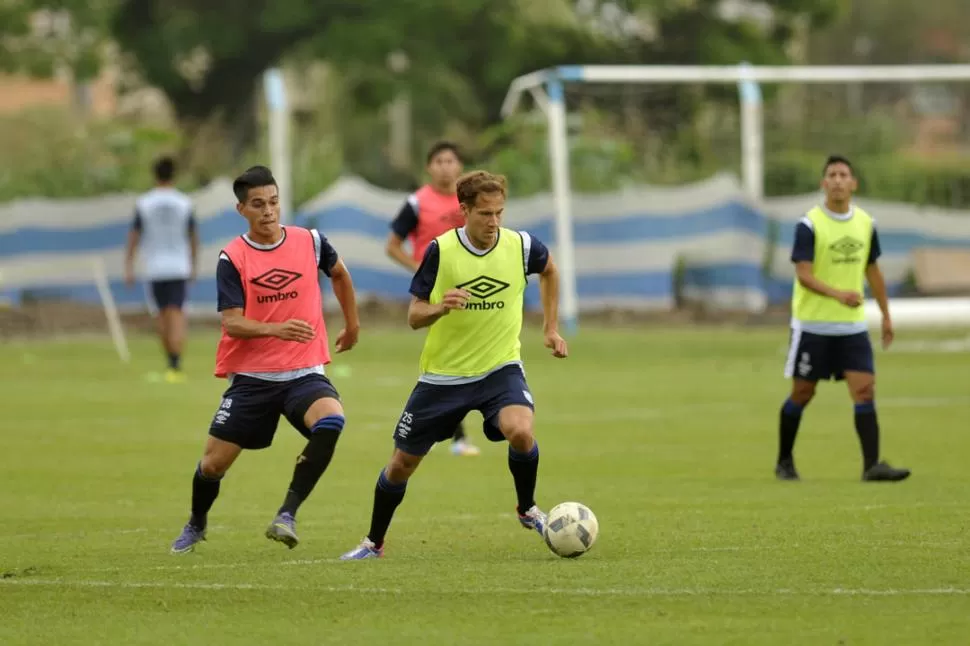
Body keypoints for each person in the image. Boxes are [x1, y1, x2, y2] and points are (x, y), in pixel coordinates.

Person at [340, 170, 568, 560]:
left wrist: (550, 328)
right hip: (443, 378)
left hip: (500, 368)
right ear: (463, 210)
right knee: (401, 464)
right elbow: (414, 316)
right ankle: (373, 543)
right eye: (485, 214)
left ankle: (528, 508)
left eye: (499, 213)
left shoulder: (522, 246)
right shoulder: (441, 251)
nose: (494, 222)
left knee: (521, 431)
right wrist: (440, 307)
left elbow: (549, 271)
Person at [170, 165, 361, 554]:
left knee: (331, 419)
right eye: (258, 204)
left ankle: (287, 515)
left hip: (303, 371)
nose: (269, 211)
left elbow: (339, 274)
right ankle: (197, 523)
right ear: (242, 209)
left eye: (273, 202)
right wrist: (276, 329)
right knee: (212, 466)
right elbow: (232, 323)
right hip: (253, 377)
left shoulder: (310, 241)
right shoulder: (233, 257)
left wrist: (352, 324)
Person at [776, 154, 910, 483]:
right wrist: (840, 295)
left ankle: (872, 466)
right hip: (813, 326)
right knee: (803, 394)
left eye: (843, 174)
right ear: (824, 184)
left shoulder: (865, 223)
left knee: (864, 391)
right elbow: (803, 275)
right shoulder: (808, 225)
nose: (837, 180)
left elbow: (872, 270)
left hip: (852, 328)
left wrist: (886, 314)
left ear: (853, 184)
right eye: (831, 175)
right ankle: (784, 460)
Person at [385, 141, 480, 457]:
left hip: (475, 285)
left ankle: (462, 425)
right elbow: (393, 245)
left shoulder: (471, 199)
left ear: (460, 166)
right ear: (429, 167)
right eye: (438, 160)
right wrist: (419, 268)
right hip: (437, 290)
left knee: (474, 352)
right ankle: (456, 436)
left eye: (451, 160)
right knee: (448, 358)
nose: (445, 166)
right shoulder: (417, 203)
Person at [125, 156, 199, 383]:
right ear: (174, 175)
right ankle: (175, 364)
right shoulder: (185, 202)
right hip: (179, 266)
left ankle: (170, 362)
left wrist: (129, 265)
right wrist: (193, 264)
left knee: (160, 316)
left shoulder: (144, 203)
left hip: (155, 267)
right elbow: (193, 236)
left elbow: (134, 236)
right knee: (176, 313)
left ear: (155, 175)